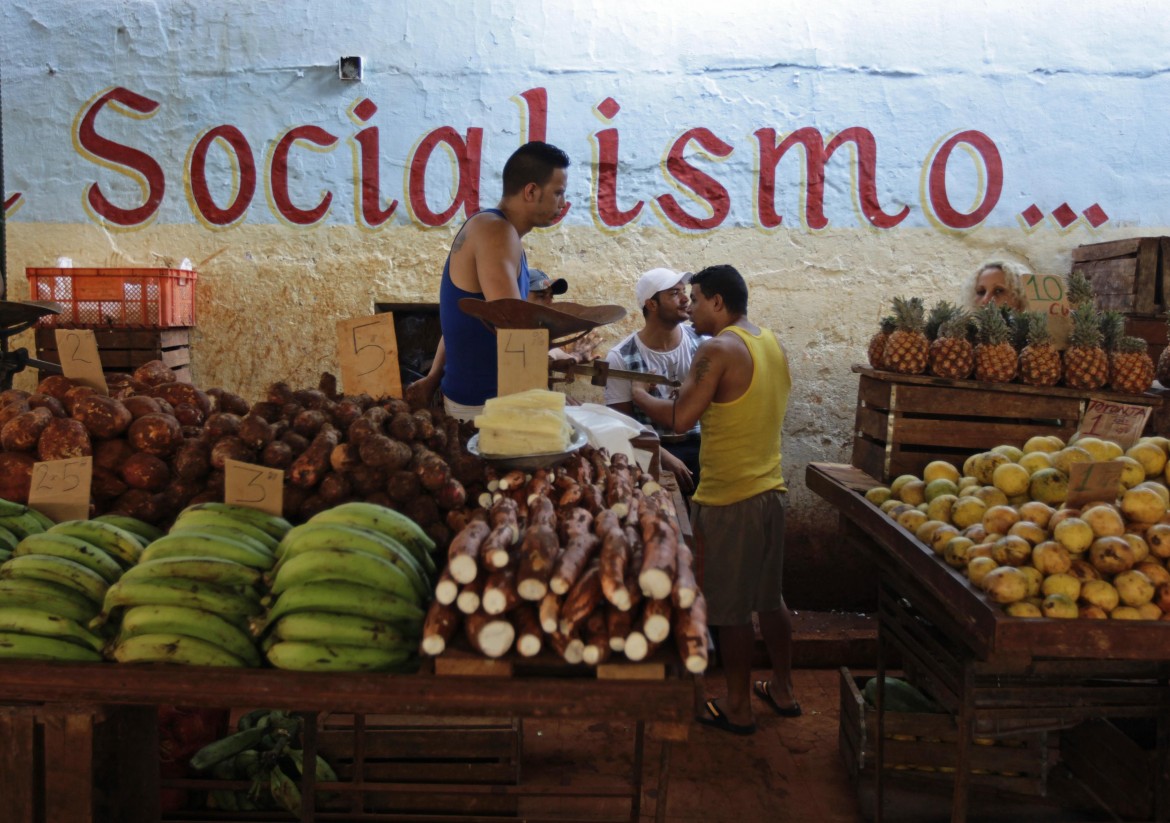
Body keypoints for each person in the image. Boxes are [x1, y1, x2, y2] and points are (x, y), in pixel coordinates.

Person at [630, 264, 796, 736]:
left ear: (719, 303)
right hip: (770, 491)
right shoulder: (769, 342)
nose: (690, 307)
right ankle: (783, 689)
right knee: (771, 601)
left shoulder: (717, 349)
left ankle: (739, 705)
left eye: (697, 299)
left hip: (731, 500)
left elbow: (681, 417)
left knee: (729, 611)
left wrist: (642, 397)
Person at [405, 141, 570, 420]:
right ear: (531, 191)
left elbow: (460, 316)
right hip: (484, 407)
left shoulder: (497, 231)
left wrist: (433, 377)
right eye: (558, 193)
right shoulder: (497, 232)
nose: (563, 204)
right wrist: (559, 356)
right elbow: (513, 328)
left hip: (480, 400)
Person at [603, 268, 702, 493]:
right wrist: (664, 457)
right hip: (650, 451)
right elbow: (622, 424)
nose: (685, 298)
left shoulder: (703, 344)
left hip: (704, 447)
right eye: (674, 293)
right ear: (652, 304)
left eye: (684, 291)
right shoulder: (621, 357)